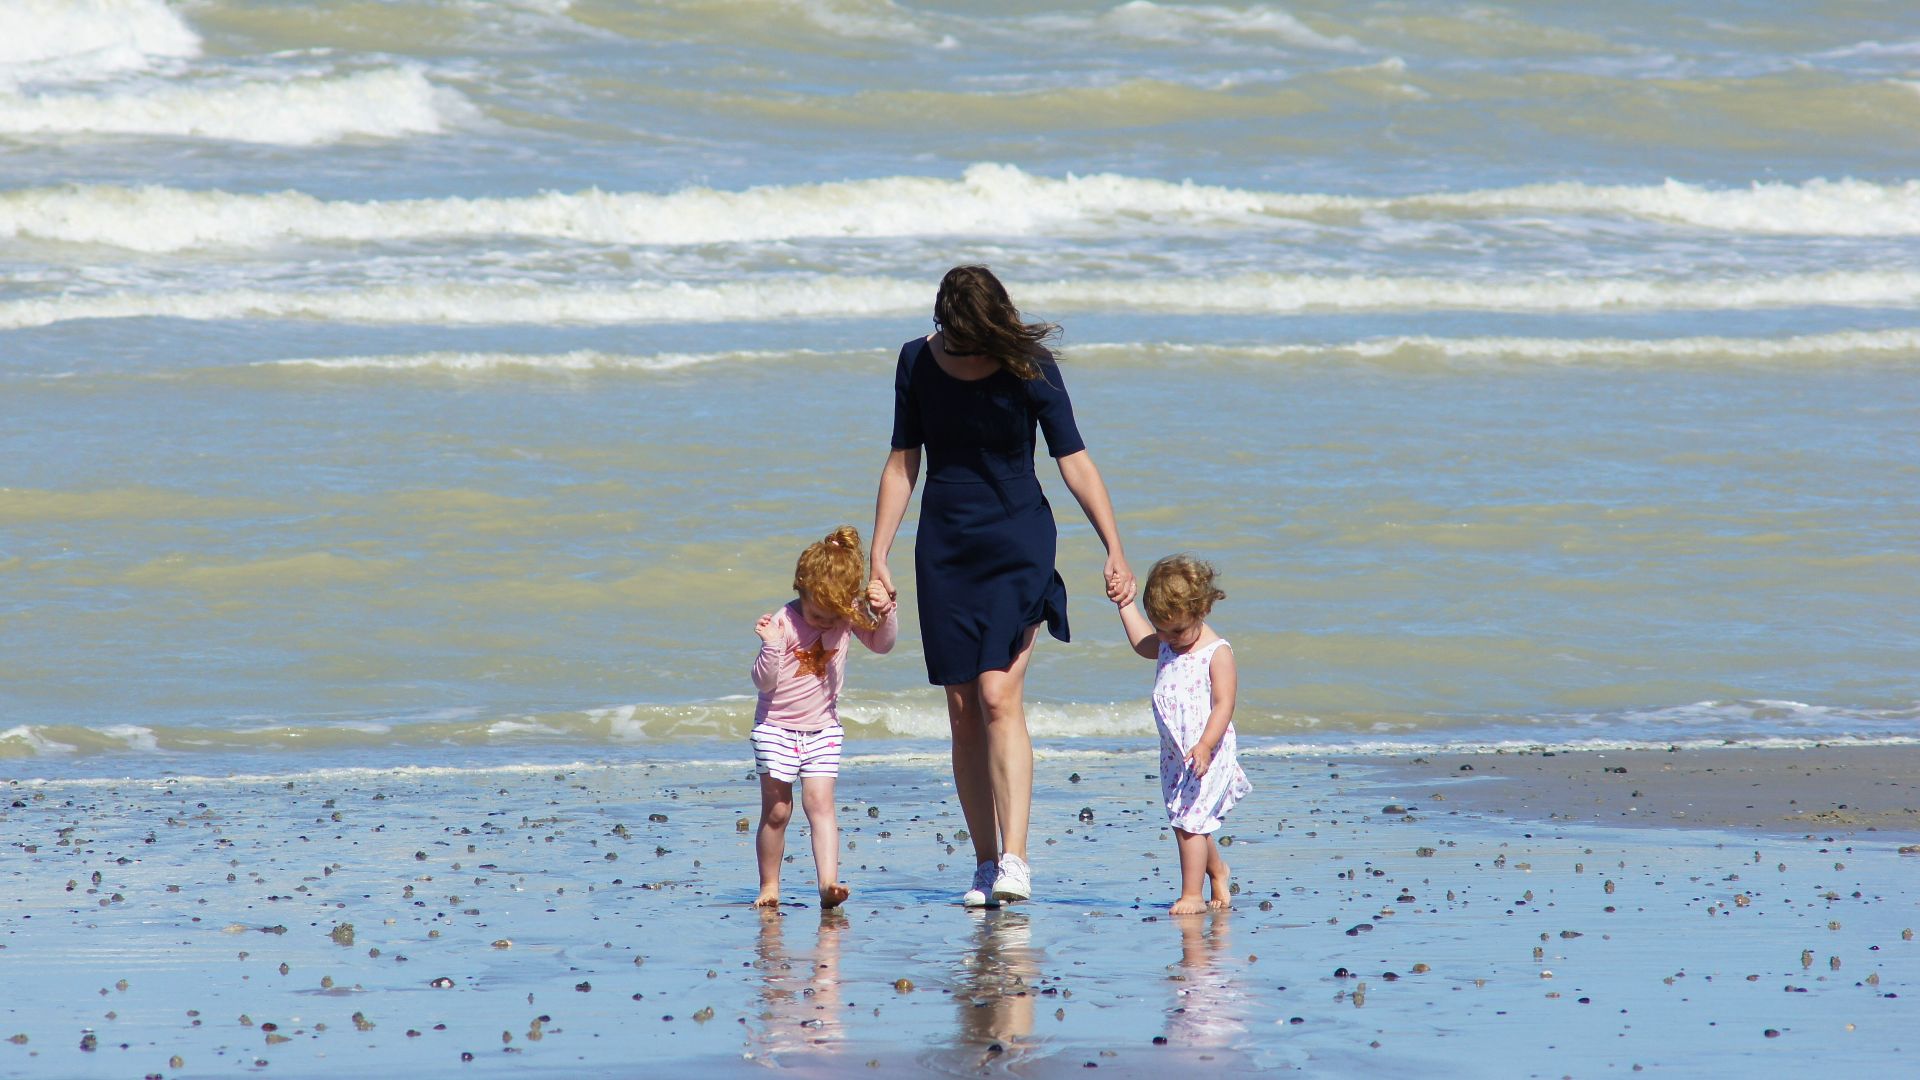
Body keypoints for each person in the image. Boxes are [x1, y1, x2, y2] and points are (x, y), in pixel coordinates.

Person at [870, 265, 1134, 908]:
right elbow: (905, 459)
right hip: (945, 547)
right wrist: (879, 553)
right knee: (962, 710)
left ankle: (1016, 859)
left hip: (1017, 540)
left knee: (996, 695)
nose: (964, 347)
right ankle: (985, 864)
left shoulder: (1030, 365)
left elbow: (1073, 458)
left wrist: (1114, 548)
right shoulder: (916, 362)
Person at [750, 525, 897, 909]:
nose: (825, 624)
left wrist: (886, 610)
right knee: (778, 810)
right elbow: (764, 683)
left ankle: (828, 884)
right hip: (776, 728)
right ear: (802, 588)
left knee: (821, 805)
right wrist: (771, 647)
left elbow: (882, 644)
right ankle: (769, 885)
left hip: (823, 730)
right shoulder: (783, 621)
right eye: (818, 614)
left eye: (834, 617)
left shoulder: (845, 616)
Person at [1115, 554, 1249, 915]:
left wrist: (1205, 745)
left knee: (1190, 823)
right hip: (1176, 753)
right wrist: (1124, 605)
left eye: (1175, 631)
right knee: (1187, 821)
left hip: (1207, 750)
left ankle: (1191, 894)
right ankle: (1218, 870)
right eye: (1161, 629)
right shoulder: (1165, 640)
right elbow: (1143, 642)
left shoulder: (1215, 653)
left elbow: (1224, 704)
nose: (1167, 640)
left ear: (1201, 610)